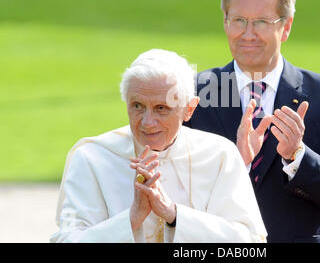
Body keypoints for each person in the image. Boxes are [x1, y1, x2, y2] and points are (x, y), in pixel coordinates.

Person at [185, 0, 320, 243]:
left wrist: (298, 157)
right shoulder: (193, 93)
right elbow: (176, 190)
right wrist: (236, 163)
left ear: (286, 26)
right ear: (225, 22)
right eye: (239, 20)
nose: (248, 34)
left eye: (261, 22)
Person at [51, 49, 267, 243]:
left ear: (189, 110)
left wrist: (174, 215)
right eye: (137, 106)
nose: (147, 122)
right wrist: (131, 220)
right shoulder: (93, 157)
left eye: (161, 108)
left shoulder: (220, 155)